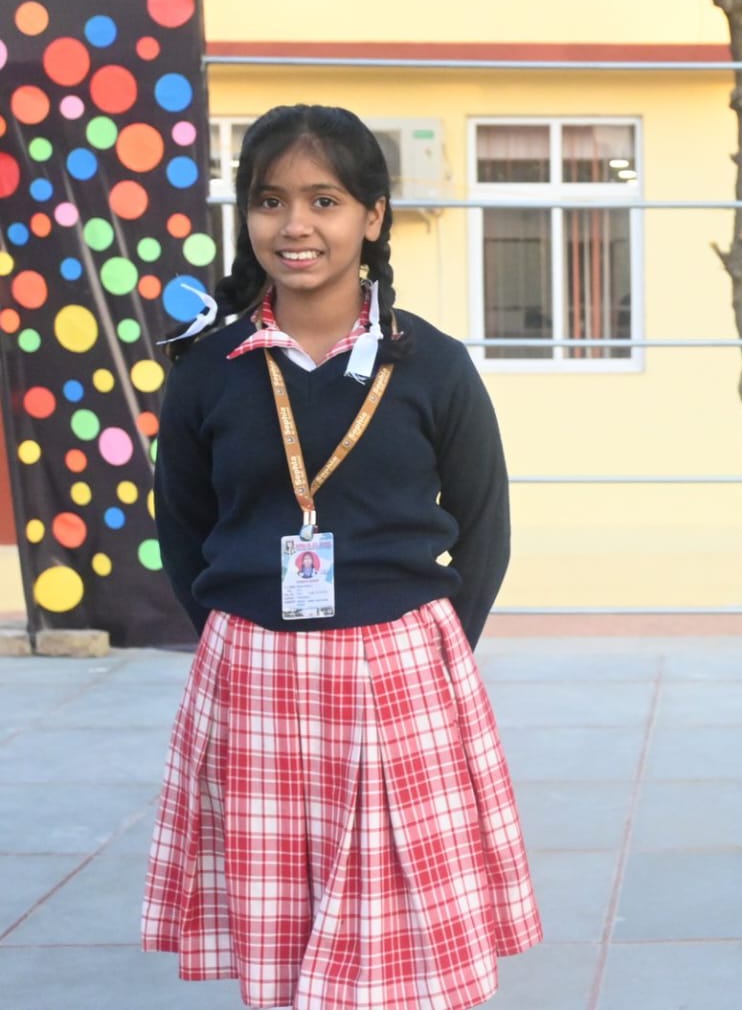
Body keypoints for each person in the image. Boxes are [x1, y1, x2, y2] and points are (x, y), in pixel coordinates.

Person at [142, 104, 541, 1010]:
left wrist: (427, 651)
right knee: (281, 930)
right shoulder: (208, 368)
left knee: (402, 940)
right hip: (253, 672)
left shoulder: (432, 364)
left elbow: (484, 526)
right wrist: (245, 636)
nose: (296, 226)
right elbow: (184, 527)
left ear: (373, 215)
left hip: (401, 669)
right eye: (270, 201)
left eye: (324, 200)